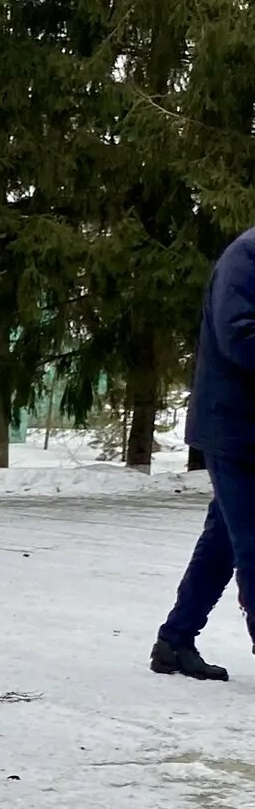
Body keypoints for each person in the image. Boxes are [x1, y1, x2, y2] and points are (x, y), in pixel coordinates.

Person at [169, 244, 255, 685]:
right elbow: (238, 336)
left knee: (225, 538)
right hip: (234, 427)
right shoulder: (246, 257)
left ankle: (175, 641)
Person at [151, 447, 255, 682]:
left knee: (222, 540)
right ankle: (175, 639)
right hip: (237, 435)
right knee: (249, 540)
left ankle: (175, 641)